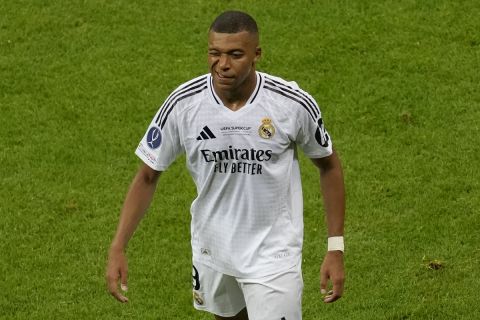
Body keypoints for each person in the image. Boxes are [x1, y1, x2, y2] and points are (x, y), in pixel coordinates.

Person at [106, 10, 345, 320]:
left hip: (273, 254)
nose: (223, 64)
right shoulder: (184, 104)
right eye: (214, 53)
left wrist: (335, 247)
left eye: (235, 55)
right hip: (212, 250)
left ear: (257, 54)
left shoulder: (290, 104)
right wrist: (117, 247)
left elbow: (329, 166)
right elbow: (147, 176)